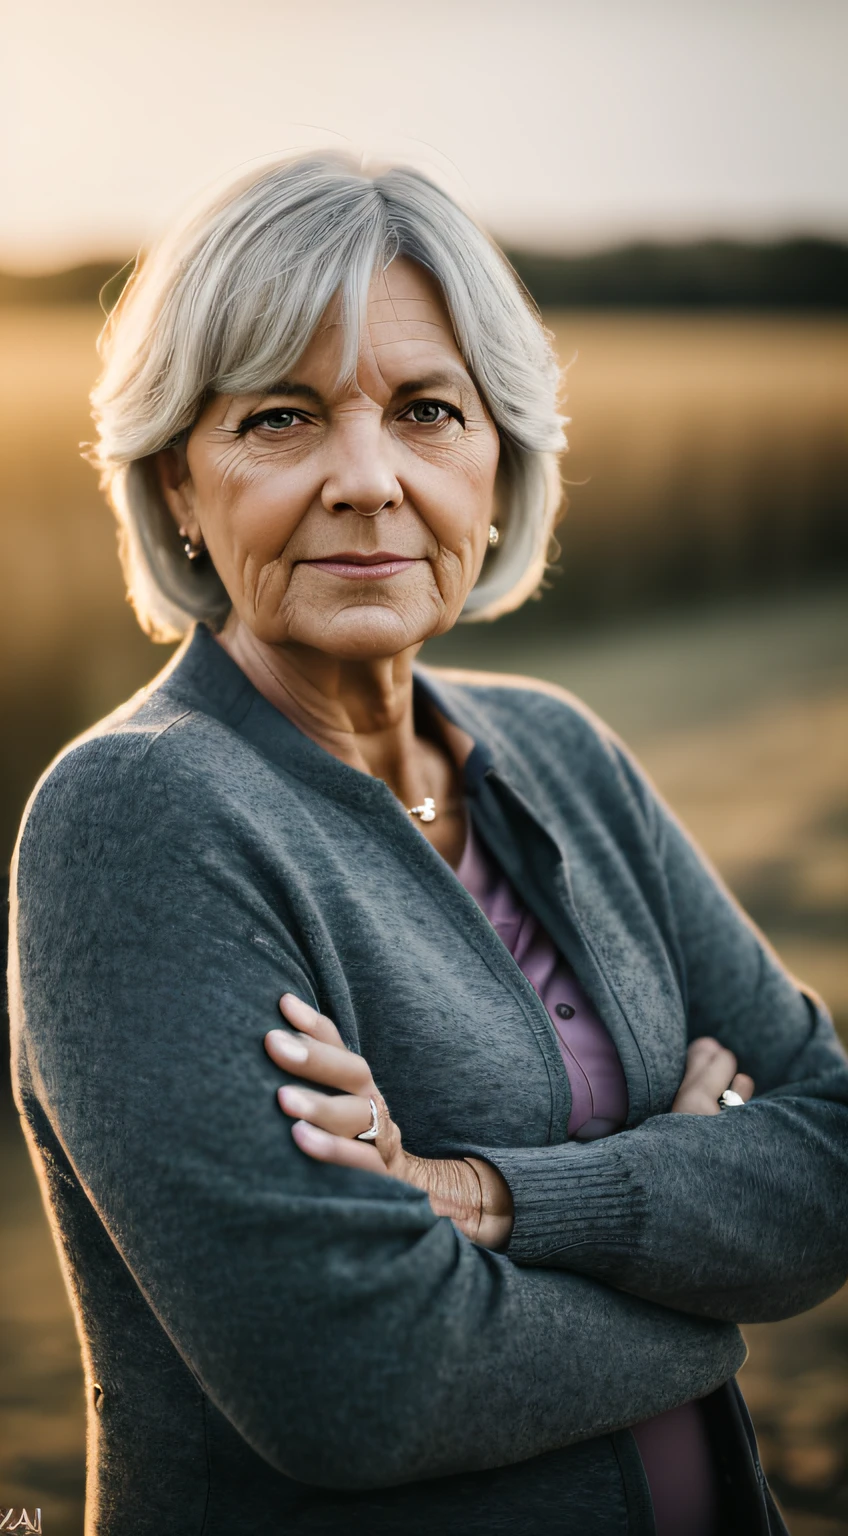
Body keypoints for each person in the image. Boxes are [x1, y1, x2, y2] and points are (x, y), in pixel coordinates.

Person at [8, 152, 848, 1536]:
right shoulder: (142, 817)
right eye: (280, 418)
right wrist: (707, 1302)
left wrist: (485, 1200)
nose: (368, 481)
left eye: (428, 412)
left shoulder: (560, 752)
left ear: (502, 459)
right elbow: (363, 1380)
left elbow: (827, 1156)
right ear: (172, 485)